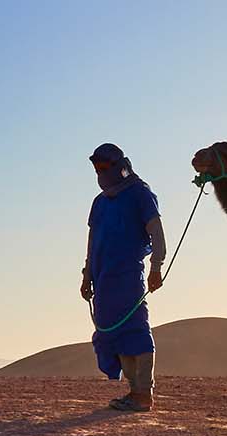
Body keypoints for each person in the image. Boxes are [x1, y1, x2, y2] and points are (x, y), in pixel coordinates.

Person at [80, 143, 168, 411]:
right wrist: (87, 275)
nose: (100, 173)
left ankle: (143, 392)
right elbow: (93, 240)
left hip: (128, 274)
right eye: (97, 169)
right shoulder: (100, 203)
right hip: (102, 276)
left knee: (135, 328)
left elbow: (156, 231)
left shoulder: (140, 194)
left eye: (105, 167)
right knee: (110, 331)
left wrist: (156, 266)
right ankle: (134, 390)